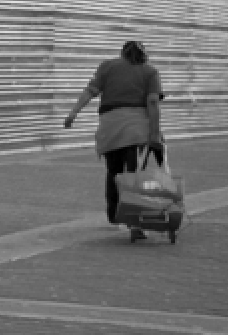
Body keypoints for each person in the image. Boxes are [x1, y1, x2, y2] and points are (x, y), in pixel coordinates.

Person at [63, 40, 164, 241]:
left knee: (114, 171)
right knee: (134, 173)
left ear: (122, 53)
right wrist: (155, 133)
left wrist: (73, 112)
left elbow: (90, 91)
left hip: (110, 128)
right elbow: (152, 102)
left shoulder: (107, 67)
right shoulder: (150, 72)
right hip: (137, 131)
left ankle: (114, 212)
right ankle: (135, 221)